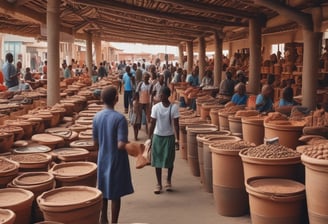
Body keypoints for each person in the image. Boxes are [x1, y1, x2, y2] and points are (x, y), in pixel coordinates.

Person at [92, 86, 134, 224]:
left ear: (101, 99)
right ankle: (114, 222)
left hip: (102, 158)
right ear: (116, 99)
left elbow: (95, 143)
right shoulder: (120, 119)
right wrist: (136, 149)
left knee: (103, 190)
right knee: (115, 194)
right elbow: (121, 144)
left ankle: (103, 218)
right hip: (116, 160)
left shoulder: (97, 117)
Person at [149, 86, 179, 194]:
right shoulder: (155, 107)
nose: (159, 96)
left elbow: (176, 124)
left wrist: (177, 139)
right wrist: (150, 138)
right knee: (157, 161)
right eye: (159, 94)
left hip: (169, 136)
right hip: (158, 136)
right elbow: (152, 123)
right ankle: (158, 183)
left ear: (167, 95)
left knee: (169, 160)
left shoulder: (174, 108)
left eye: (161, 94)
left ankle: (168, 181)